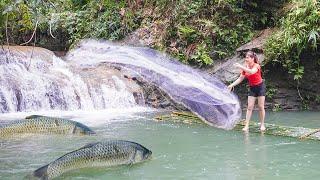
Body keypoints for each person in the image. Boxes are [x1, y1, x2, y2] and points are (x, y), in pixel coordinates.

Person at [227, 51, 266, 132]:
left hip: (260, 87)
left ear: (252, 58)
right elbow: (241, 78)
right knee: (249, 107)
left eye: (247, 58)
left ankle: (262, 124)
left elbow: (252, 72)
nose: (246, 59)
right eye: (246, 57)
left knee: (260, 106)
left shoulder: (257, 66)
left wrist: (241, 66)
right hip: (252, 87)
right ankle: (247, 125)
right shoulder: (246, 67)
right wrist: (231, 85)